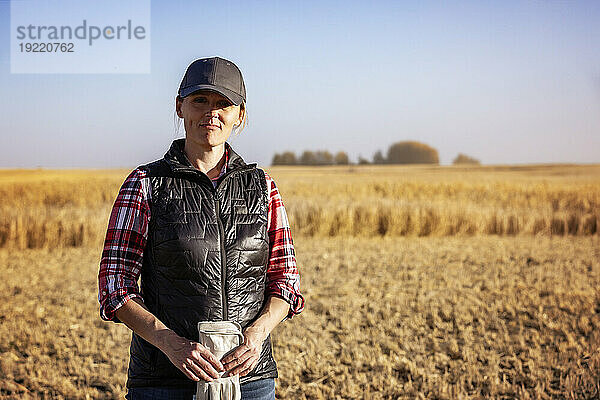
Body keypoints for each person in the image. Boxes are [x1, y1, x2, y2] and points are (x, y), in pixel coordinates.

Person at [97, 56, 305, 400]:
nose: (212, 112)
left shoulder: (263, 187)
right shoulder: (145, 183)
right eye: (200, 100)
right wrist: (169, 343)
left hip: (250, 382)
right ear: (180, 107)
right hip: (165, 382)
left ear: (240, 115)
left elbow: (286, 281)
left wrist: (256, 335)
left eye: (224, 103)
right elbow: (114, 284)